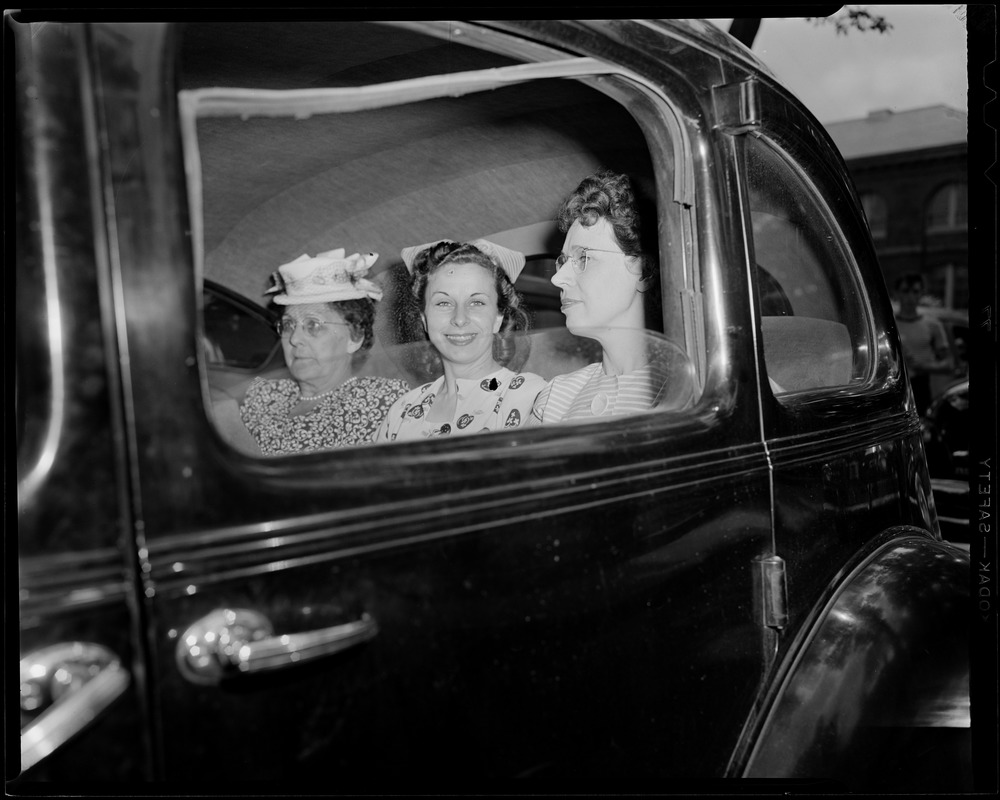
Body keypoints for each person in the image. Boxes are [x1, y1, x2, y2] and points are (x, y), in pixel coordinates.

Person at [530, 169, 685, 423]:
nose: (557, 278)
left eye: (584, 258)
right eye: (563, 261)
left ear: (643, 272)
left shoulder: (701, 391)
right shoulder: (557, 397)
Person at [235, 248, 409, 455]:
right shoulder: (263, 394)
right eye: (288, 325)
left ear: (355, 336)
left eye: (313, 326)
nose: (295, 339)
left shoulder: (380, 399)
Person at [375, 239, 547, 441]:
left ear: (498, 316)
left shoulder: (531, 397)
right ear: (424, 319)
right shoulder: (403, 410)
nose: (459, 318)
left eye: (476, 302)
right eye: (443, 302)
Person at [893, 273, 953, 414]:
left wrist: (923, 366)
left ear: (921, 294)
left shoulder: (932, 325)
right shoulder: (889, 326)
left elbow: (949, 363)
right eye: (905, 291)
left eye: (915, 291)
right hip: (896, 386)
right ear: (896, 293)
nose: (910, 297)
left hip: (923, 387)